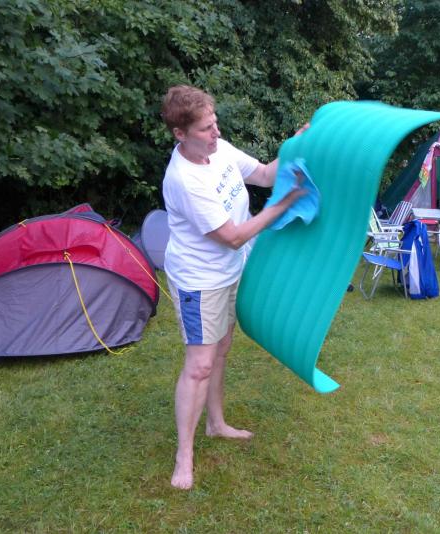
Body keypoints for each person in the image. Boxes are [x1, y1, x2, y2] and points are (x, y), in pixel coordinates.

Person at [160, 85, 307, 490]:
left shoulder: (219, 149)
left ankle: (217, 423)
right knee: (200, 365)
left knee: (221, 348)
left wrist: (295, 144)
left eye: (215, 123)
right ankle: (184, 457)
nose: (216, 133)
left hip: (230, 271)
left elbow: (264, 174)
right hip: (199, 280)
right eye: (206, 128)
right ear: (180, 134)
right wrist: (284, 204)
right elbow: (234, 236)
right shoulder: (185, 179)